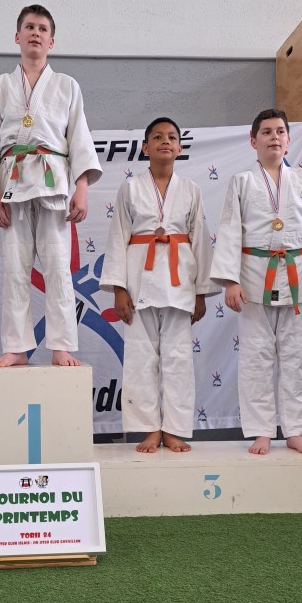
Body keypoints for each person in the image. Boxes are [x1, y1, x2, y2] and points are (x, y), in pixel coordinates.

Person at [0, 4, 101, 367]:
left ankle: (61, 345)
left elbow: (79, 140)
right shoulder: (0, 86)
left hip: (53, 184)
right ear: (17, 36)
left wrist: (82, 187)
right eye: (29, 27)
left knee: (58, 268)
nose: (36, 33)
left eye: (43, 28)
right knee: (15, 270)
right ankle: (17, 347)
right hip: (11, 185)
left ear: (51, 41)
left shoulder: (67, 86)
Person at [211, 109, 302, 455]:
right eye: (267, 132)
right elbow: (229, 230)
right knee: (255, 357)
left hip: (297, 273)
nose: (274, 137)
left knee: (298, 356)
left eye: (280, 131)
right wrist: (230, 281)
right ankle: (261, 431)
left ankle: (297, 430)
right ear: (253, 140)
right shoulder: (242, 182)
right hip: (253, 276)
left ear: (288, 141)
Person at [100, 117, 218, 452]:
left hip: (180, 283)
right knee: (140, 358)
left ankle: (174, 429)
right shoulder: (130, 187)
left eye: (171, 137)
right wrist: (119, 288)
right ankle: (149, 428)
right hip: (139, 282)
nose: (165, 141)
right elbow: (118, 236)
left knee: (178, 360)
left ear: (179, 148)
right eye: (157, 137)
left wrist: (201, 291)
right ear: (145, 147)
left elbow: (200, 241)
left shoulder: (191, 189)